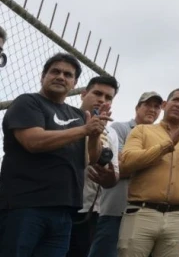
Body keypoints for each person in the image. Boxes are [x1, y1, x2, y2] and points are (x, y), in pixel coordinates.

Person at [0, 52, 111, 256]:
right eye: (55, 72)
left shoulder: (78, 115)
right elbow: (34, 141)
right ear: (43, 76)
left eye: (68, 75)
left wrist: (95, 134)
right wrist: (84, 130)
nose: (61, 77)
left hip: (64, 211)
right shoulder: (27, 103)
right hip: (24, 206)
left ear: (74, 83)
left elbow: (91, 158)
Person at [117, 88, 179, 257]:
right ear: (164, 104)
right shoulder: (142, 130)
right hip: (142, 213)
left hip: (178, 216)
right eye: (175, 100)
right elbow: (126, 163)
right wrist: (167, 145)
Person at [88, 91, 164, 257]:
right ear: (137, 107)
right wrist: (154, 162)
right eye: (147, 105)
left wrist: (133, 161)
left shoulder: (160, 137)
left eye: (157, 107)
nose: (152, 109)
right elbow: (118, 165)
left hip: (145, 213)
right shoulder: (119, 129)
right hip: (116, 209)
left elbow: (129, 163)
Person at [68, 75, 121, 257]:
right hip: (55, 204)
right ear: (83, 94)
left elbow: (114, 175)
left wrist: (108, 176)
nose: (102, 100)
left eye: (108, 97)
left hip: (89, 210)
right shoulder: (65, 118)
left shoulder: (111, 132)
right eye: (97, 93)